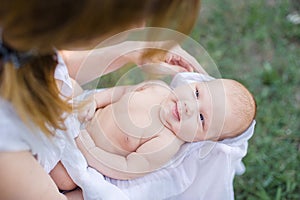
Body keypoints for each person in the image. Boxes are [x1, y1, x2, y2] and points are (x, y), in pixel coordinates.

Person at [0, 1, 201, 199]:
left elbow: (56, 67)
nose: (139, 26)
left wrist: (132, 50)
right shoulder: (8, 150)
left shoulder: (19, 31)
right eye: (127, 11)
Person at [75, 72, 257, 180]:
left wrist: (90, 151)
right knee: (70, 87)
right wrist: (96, 100)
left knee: (64, 180)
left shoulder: (164, 143)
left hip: (85, 153)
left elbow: (127, 168)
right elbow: (122, 92)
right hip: (84, 114)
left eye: (201, 118)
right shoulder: (158, 88)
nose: (189, 107)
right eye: (196, 93)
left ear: (201, 139)